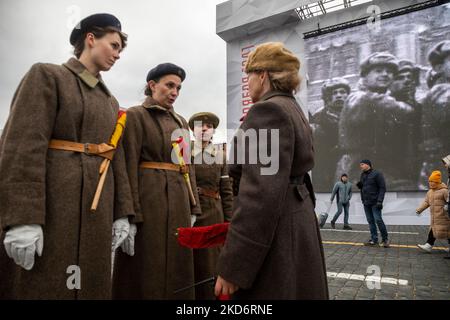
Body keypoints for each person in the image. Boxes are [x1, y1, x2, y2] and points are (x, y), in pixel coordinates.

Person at [0, 13, 135, 299]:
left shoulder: (112, 103)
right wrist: (22, 217)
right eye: (113, 45)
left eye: (120, 49)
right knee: (45, 286)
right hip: (53, 208)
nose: (117, 54)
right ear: (90, 39)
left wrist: (122, 214)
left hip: (97, 214)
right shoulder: (48, 76)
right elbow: (22, 146)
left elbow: (116, 160)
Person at [214, 42, 329, 299]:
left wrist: (235, 266)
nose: (248, 83)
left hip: (276, 239)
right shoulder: (293, 108)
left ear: (263, 75)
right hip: (295, 224)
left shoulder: (267, 111)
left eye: (249, 76)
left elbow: (259, 195)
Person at [112, 63, 202, 299]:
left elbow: (186, 165)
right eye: (169, 85)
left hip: (179, 202)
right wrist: (128, 214)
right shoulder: (134, 116)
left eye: (179, 88)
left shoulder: (181, 123)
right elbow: (126, 164)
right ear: (152, 85)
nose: (175, 92)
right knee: (144, 268)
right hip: (147, 202)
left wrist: (193, 206)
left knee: (178, 267)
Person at [338, 52, 414, 190]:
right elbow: (396, 108)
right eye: (378, 71)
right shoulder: (358, 97)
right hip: (358, 170)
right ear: (365, 76)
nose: (385, 74)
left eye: (389, 72)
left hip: (384, 170)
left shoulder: (385, 98)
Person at [188, 112, 233, 300]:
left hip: (214, 213)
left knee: (210, 264)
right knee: (190, 263)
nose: (204, 128)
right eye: (200, 125)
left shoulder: (220, 156)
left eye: (209, 126)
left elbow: (226, 191)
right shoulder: (183, 152)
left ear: (213, 130)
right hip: (189, 212)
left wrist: (229, 222)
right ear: (193, 130)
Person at [310, 78, 350, 190]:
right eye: (334, 93)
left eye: (342, 92)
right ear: (328, 97)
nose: (339, 96)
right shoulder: (319, 117)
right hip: (327, 167)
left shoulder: (355, 113)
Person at [356, 159, 390, 248]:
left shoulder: (377, 174)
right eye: (360, 165)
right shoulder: (362, 175)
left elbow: (382, 188)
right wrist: (360, 186)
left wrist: (380, 201)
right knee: (370, 221)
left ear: (368, 165)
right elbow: (364, 187)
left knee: (378, 220)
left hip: (375, 202)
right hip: (366, 202)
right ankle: (374, 240)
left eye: (362, 164)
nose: (361, 166)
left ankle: (385, 239)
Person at [416, 171, 450, 253]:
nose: (431, 183)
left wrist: (447, 206)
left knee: (447, 232)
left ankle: (429, 245)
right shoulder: (430, 192)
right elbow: (426, 202)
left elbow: (449, 200)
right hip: (435, 217)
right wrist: (419, 209)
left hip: (444, 217)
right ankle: (428, 245)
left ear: (438, 182)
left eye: (433, 182)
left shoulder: (444, 191)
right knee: (433, 230)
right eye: (430, 181)